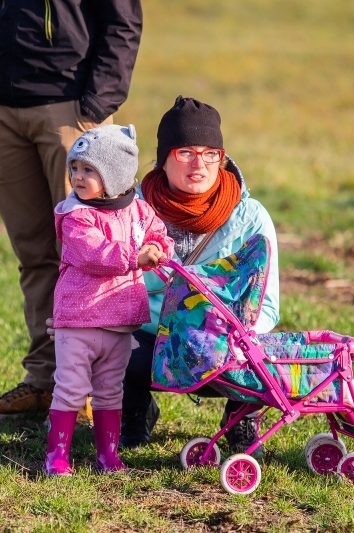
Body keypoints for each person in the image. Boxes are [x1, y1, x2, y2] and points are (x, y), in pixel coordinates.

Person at [0, 0, 143, 420]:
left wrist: (95, 104)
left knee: (88, 254)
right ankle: (44, 383)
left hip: (71, 110)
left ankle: (98, 392)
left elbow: (123, 21)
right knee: (34, 254)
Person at [119, 95, 282, 451]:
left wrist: (229, 336)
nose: (200, 164)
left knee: (265, 357)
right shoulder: (132, 211)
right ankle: (134, 414)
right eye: (186, 152)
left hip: (222, 342)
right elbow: (114, 285)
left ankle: (241, 420)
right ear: (163, 158)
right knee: (111, 347)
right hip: (151, 337)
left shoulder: (251, 217)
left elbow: (267, 305)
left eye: (211, 153)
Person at [44, 124, 174, 475]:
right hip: (79, 319)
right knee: (71, 388)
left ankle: (108, 455)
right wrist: (136, 256)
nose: (78, 177)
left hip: (119, 321)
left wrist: (157, 248)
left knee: (109, 391)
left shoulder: (138, 211)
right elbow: (93, 253)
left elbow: (159, 235)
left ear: (115, 176)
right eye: (75, 168)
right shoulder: (75, 215)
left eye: (89, 170)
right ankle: (57, 457)